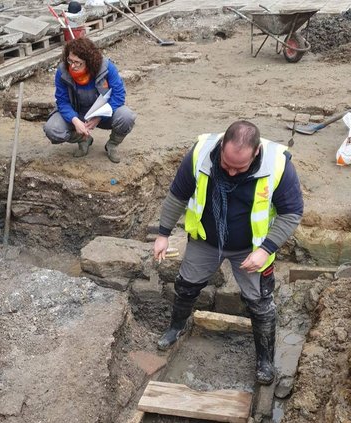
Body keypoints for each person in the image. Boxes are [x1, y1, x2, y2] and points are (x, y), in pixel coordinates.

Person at [154, 121, 303, 385]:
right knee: (186, 286)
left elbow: (291, 213)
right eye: (227, 165)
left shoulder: (278, 166)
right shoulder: (200, 153)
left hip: (252, 248)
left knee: (260, 303)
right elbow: (177, 195)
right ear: (222, 146)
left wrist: (266, 249)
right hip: (206, 240)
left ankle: (265, 360)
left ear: (256, 153)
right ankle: (176, 327)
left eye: (240, 167)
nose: (232, 173)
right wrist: (163, 234)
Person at [44, 37, 136, 163]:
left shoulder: (106, 68)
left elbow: (119, 95)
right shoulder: (63, 71)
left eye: (78, 62)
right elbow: (62, 101)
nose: (73, 66)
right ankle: (83, 139)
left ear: (89, 61)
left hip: (104, 114)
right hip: (77, 113)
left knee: (126, 116)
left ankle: (112, 145)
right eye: (70, 60)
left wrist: (99, 117)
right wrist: (75, 121)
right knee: (52, 129)